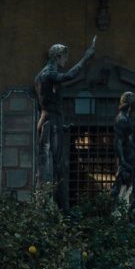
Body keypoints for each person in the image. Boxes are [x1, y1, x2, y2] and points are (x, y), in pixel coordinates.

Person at [34, 37, 98, 204]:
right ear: (58, 56)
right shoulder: (48, 74)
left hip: (52, 119)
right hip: (51, 118)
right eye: (65, 57)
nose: (66, 60)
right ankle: (58, 208)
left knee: (55, 165)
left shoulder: (44, 74)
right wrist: (86, 57)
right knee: (56, 167)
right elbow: (69, 75)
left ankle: (58, 206)